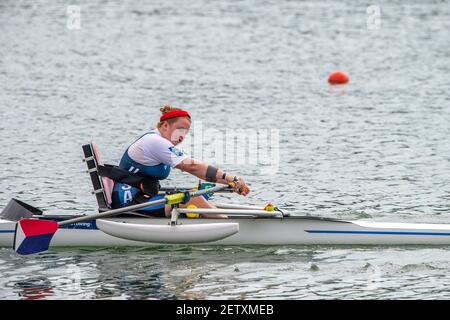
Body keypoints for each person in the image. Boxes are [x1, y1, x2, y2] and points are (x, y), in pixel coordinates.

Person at [111, 105, 250, 218]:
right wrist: (230, 178)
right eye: (180, 129)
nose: (183, 136)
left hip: (143, 198)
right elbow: (193, 167)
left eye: (186, 131)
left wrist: (229, 183)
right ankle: (229, 226)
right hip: (130, 204)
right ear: (165, 125)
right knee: (191, 198)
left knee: (200, 192)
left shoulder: (162, 143)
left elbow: (197, 169)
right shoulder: (154, 141)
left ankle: (218, 220)